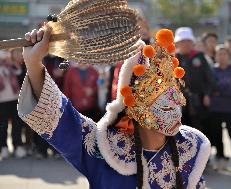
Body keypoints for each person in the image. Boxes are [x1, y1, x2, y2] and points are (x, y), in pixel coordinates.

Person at [18, 25, 210, 189]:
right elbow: (59, 118)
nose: (177, 110)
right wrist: (34, 63)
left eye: (177, 100)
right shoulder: (103, 147)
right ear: (137, 108)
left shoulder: (190, 150)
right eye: (166, 105)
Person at [175, 27, 214, 132]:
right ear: (177, 43)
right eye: (182, 41)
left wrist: (207, 94)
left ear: (192, 42)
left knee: (200, 130)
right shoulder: (173, 58)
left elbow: (209, 78)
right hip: (179, 103)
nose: (186, 44)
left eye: (188, 41)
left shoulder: (199, 56)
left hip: (199, 101)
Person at [209, 45, 231, 167]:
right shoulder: (212, 70)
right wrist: (226, 86)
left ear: (228, 56)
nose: (222, 56)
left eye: (224, 54)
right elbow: (212, 87)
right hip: (216, 108)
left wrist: (220, 90)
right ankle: (221, 156)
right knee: (217, 134)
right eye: (219, 54)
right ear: (215, 56)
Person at [0, 50, 26, 159]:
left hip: (16, 99)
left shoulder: (13, 66)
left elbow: (20, 74)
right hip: (2, 101)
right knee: (3, 125)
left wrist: (12, 64)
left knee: (17, 124)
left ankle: (17, 146)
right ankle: (3, 147)